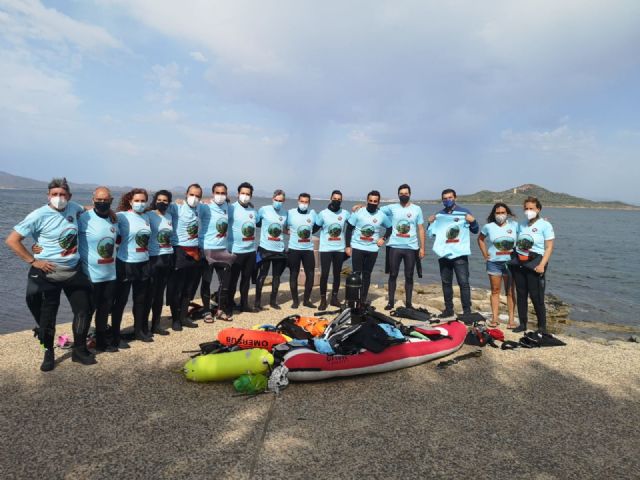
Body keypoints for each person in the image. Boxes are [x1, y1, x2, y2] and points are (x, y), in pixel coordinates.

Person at [6, 177, 95, 370]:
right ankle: (48, 352)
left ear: (69, 196)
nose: (59, 198)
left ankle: (79, 351)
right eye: (55, 194)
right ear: (48, 196)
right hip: (48, 272)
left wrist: (110, 212)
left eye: (62, 194)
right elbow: (12, 240)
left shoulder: (74, 208)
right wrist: (33, 260)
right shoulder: (38, 215)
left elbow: (88, 209)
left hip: (73, 270)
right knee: (47, 318)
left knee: (84, 310)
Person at [78, 186, 120, 352]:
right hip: (90, 276)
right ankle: (81, 346)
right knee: (87, 312)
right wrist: (37, 246)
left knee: (104, 310)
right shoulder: (83, 218)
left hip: (110, 275)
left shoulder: (113, 219)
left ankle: (102, 342)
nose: (102, 203)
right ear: (93, 199)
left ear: (111, 201)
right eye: (99, 200)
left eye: (105, 200)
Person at [427, 188, 479, 318]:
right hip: (444, 254)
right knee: (446, 283)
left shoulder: (464, 213)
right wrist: (430, 223)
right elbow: (430, 234)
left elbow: (475, 230)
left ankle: (467, 311)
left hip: (459, 254)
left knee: (464, 283)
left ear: (455, 197)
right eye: (445, 198)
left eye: (450, 197)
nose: (447, 200)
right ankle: (448, 309)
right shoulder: (439, 215)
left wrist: (473, 221)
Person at [111, 188, 153, 345]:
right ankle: (116, 335)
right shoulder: (122, 216)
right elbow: (102, 217)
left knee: (140, 300)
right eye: (137, 200)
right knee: (120, 301)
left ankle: (138, 331)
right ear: (130, 201)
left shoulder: (147, 217)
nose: (140, 204)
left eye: (143, 201)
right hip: (126, 263)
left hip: (144, 262)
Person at [510, 197, 555, 333]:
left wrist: (542, 264)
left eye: (531, 208)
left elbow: (549, 247)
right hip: (520, 261)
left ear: (538, 209)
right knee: (521, 294)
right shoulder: (521, 224)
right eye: (526, 208)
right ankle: (523, 324)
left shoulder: (545, 225)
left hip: (536, 261)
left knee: (536, 296)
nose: (528, 211)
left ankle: (542, 327)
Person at [379, 184, 426, 310]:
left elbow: (421, 229)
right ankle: (391, 302)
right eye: (401, 193)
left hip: (411, 248)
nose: (403, 195)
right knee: (393, 274)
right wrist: (361, 207)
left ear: (410, 194)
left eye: (406, 193)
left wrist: (422, 248)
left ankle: (409, 303)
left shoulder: (417, 209)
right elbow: (375, 209)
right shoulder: (392, 207)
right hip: (394, 246)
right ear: (398, 195)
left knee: (409, 275)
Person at [345, 190, 392, 304]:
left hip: (372, 249)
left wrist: (383, 238)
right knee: (356, 274)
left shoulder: (381, 215)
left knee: (367, 275)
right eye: (370, 200)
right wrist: (347, 246)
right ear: (367, 201)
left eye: (375, 201)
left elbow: (390, 228)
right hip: (357, 248)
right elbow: (349, 229)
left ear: (378, 202)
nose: (372, 203)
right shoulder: (359, 212)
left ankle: (363, 299)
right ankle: (353, 299)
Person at [199, 182, 237, 320]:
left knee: (225, 283)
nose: (220, 196)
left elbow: (235, 220)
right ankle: (206, 311)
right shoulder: (205, 207)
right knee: (206, 282)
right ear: (213, 194)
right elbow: (190, 211)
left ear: (226, 195)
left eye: (223, 193)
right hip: (207, 250)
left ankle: (220, 310)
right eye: (218, 193)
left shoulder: (229, 207)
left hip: (222, 251)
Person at [166, 184, 202, 330]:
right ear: (186, 194)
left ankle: (184, 316)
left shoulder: (200, 208)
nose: (194, 198)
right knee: (177, 288)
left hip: (195, 252)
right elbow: (157, 209)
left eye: (198, 196)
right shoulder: (177, 207)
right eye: (192, 194)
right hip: (179, 251)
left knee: (189, 287)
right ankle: (175, 319)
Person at [477, 202, 518, 329]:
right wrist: (485, 254)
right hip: (494, 262)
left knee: (510, 292)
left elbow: (528, 231)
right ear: (494, 214)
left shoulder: (515, 225)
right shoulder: (488, 226)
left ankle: (511, 319)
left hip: (510, 263)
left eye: (503, 212)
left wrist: (541, 222)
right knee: (495, 291)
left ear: (507, 214)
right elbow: (480, 239)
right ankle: (495, 318)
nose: (500, 215)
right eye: (498, 213)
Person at [315, 190, 350, 310]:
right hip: (325, 249)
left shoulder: (345, 213)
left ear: (341, 200)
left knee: (337, 274)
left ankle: (334, 298)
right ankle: (323, 300)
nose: (337, 201)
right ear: (330, 198)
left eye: (339, 199)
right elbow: (314, 228)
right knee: (324, 274)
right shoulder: (323, 214)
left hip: (339, 249)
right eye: (335, 198)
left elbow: (353, 225)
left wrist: (358, 209)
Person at [145, 189, 174, 335]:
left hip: (167, 258)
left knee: (159, 295)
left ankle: (156, 325)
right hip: (153, 258)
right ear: (155, 200)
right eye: (159, 200)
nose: (162, 203)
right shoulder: (149, 215)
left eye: (165, 200)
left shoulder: (169, 216)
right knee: (149, 294)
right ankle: (144, 326)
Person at [255, 189, 289, 310]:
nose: (278, 202)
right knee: (262, 275)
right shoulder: (263, 209)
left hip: (279, 249)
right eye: (276, 200)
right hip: (265, 248)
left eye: (280, 201)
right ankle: (257, 302)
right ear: (272, 199)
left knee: (276, 277)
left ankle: (273, 301)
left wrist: (295, 233)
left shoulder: (285, 213)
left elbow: (284, 229)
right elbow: (257, 223)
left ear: (283, 201)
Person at [227, 182, 258, 313]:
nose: (245, 196)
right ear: (238, 194)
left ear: (251, 195)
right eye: (243, 193)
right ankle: (229, 304)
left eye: (248, 194)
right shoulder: (231, 209)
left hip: (250, 251)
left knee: (246, 280)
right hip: (235, 251)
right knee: (232, 280)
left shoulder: (253, 211)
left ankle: (244, 304)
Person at [286, 193, 318, 309]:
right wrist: (288, 232)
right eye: (302, 201)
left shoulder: (313, 213)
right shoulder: (290, 213)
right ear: (298, 201)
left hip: (308, 249)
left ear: (309, 203)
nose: (304, 204)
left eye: (306, 202)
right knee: (293, 274)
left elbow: (318, 225)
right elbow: (284, 226)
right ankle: (295, 301)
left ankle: (306, 300)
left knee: (310, 275)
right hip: (294, 249)